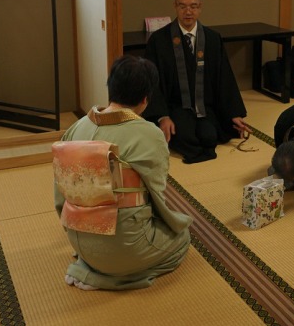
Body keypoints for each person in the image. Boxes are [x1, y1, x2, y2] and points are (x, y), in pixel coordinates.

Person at [54, 55, 192, 290]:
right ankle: (107, 277)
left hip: (78, 240)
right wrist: (174, 223)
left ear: (111, 88)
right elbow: (157, 195)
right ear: (146, 99)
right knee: (182, 238)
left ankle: (89, 266)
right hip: (125, 245)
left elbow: (60, 197)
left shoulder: (76, 127)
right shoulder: (149, 134)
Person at [143, 0, 249, 164]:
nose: (188, 12)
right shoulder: (159, 40)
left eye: (193, 6)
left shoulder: (212, 38)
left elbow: (224, 78)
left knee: (209, 137)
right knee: (187, 139)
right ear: (175, 6)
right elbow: (151, 82)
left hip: (204, 106)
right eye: (182, 6)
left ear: (200, 7)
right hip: (175, 107)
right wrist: (163, 116)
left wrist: (233, 113)